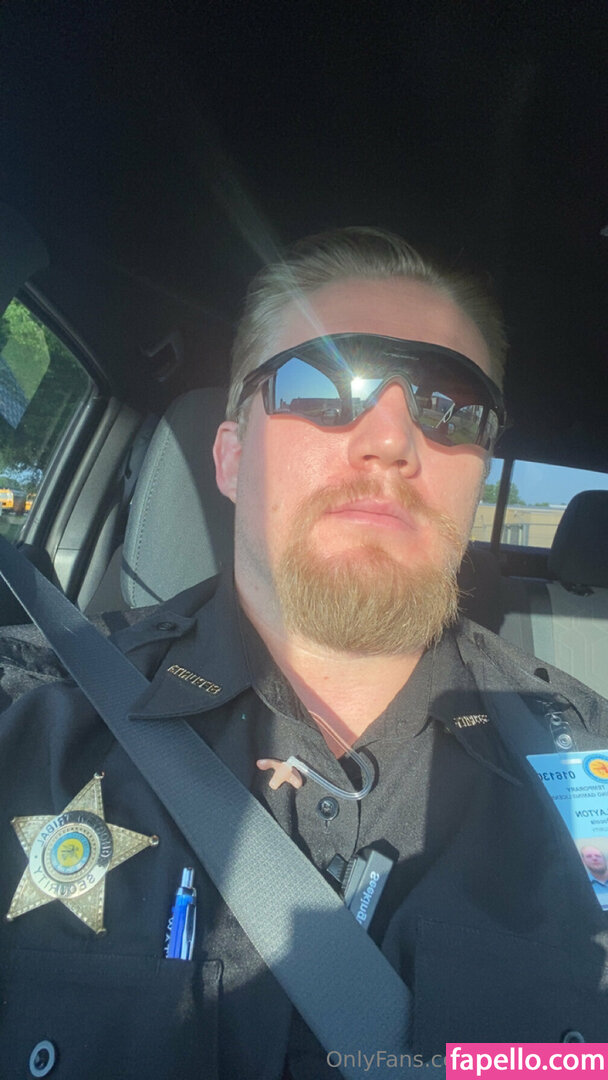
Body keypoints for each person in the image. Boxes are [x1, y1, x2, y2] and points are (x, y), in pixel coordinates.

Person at [1, 227, 607, 1080]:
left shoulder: (587, 759)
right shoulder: (34, 717)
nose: (393, 438)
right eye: (321, 385)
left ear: (478, 476)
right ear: (231, 458)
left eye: (449, 405)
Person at [580, 845, 608, 910]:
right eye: (589, 856)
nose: (594, 858)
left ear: (605, 859)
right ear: (583, 861)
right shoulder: (581, 887)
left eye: (598, 856)